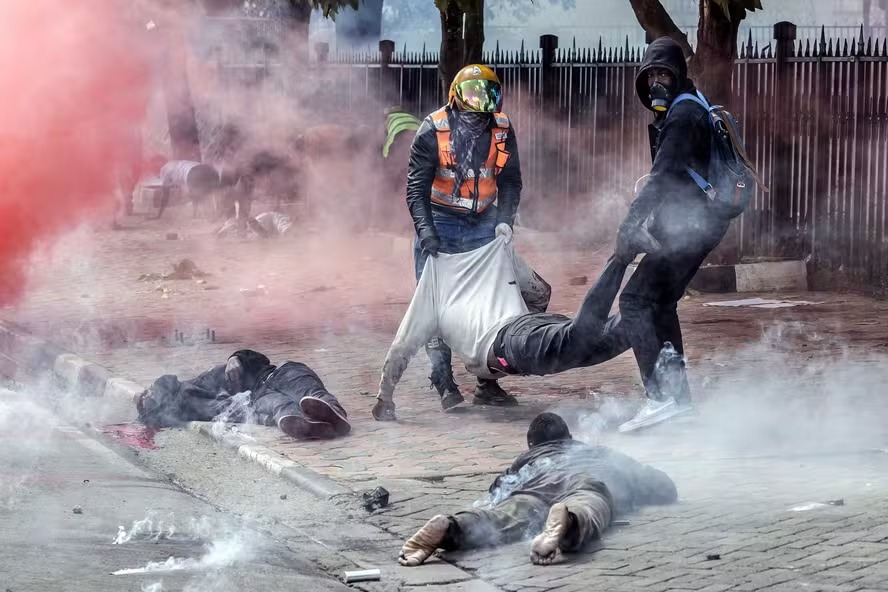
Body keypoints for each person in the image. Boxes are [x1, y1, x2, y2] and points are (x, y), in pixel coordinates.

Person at [405, 64, 550, 412]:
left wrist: (505, 222)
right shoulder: (432, 129)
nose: (481, 105)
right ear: (456, 96)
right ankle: (444, 383)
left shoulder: (501, 127)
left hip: (485, 225)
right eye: (473, 95)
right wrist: (427, 234)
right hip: (441, 224)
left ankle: (488, 382)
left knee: (528, 296)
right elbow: (415, 190)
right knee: (436, 312)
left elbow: (511, 181)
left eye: (490, 95)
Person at [372, 237, 637, 422]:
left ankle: (623, 255)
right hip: (529, 331)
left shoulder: (433, 281)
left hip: (511, 342)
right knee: (617, 332)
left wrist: (385, 399)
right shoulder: (496, 247)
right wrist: (525, 315)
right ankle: (647, 288)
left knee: (586, 338)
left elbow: (402, 348)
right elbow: (540, 291)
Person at [611, 37, 734, 433]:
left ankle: (660, 398)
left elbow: (663, 176)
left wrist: (630, 225)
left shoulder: (682, 115)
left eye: (664, 74)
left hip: (693, 226)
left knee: (633, 300)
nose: (656, 84)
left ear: (678, 74)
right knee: (661, 305)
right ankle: (678, 402)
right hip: (700, 223)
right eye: (651, 77)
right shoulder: (691, 102)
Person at [398, 413, 677, 566]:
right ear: (569, 437)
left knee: (498, 519)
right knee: (588, 505)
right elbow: (663, 487)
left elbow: (498, 490)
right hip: (586, 479)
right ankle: (568, 519)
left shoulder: (527, 459)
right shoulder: (596, 452)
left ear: (531, 445)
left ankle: (452, 526)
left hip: (534, 487)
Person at [135, 349, 351, 440]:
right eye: (146, 399)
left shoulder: (202, 382)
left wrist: (236, 357)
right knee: (280, 407)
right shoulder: (197, 405)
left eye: (148, 392)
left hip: (279, 373)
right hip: (259, 396)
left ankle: (333, 414)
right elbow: (241, 411)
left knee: (309, 393)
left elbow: (260, 359)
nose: (146, 394)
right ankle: (309, 426)